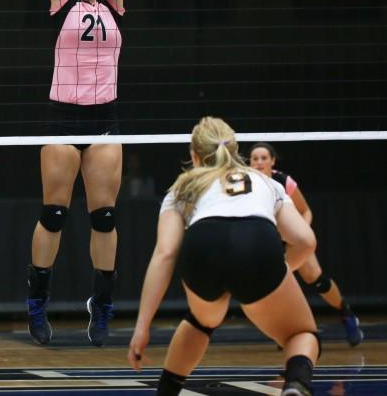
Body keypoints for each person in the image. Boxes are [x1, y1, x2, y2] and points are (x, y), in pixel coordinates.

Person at [9, 0, 124, 346]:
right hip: (62, 117)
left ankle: (102, 302)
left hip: (104, 120)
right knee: (54, 213)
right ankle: (37, 300)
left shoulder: (114, 0)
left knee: (104, 217)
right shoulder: (62, 0)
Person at [128, 117, 320, 396]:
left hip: (203, 247)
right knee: (301, 334)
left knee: (201, 321)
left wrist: (141, 328)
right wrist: (278, 275)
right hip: (257, 244)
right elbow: (305, 241)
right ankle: (296, 386)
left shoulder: (183, 186)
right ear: (236, 149)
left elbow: (165, 253)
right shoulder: (265, 182)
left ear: (194, 156)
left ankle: (166, 392)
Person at [249, 142, 364, 345]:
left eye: (263, 158)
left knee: (315, 277)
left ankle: (346, 313)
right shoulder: (245, 183)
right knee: (275, 284)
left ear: (272, 161)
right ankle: (286, 330)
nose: (259, 162)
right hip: (268, 240)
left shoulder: (283, 181)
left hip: (291, 238)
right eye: (255, 158)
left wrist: (300, 233)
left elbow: (305, 210)